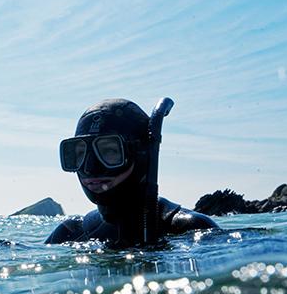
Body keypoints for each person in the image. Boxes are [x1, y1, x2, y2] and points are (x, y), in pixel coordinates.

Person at [46, 98, 218, 247]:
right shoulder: (68, 234)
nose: (90, 167)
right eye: (79, 153)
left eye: (109, 151)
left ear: (141, 154)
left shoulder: (191, 229)